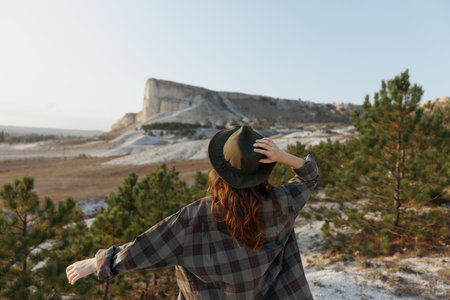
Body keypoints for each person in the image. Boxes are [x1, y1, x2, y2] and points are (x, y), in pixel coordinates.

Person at [66, 125, 319, 299]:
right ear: (264, 170)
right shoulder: (282, 203)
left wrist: (99, 262)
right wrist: (283, 156)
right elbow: (309, 176)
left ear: (220, 172)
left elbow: (146, 247)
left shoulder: (198, 216)